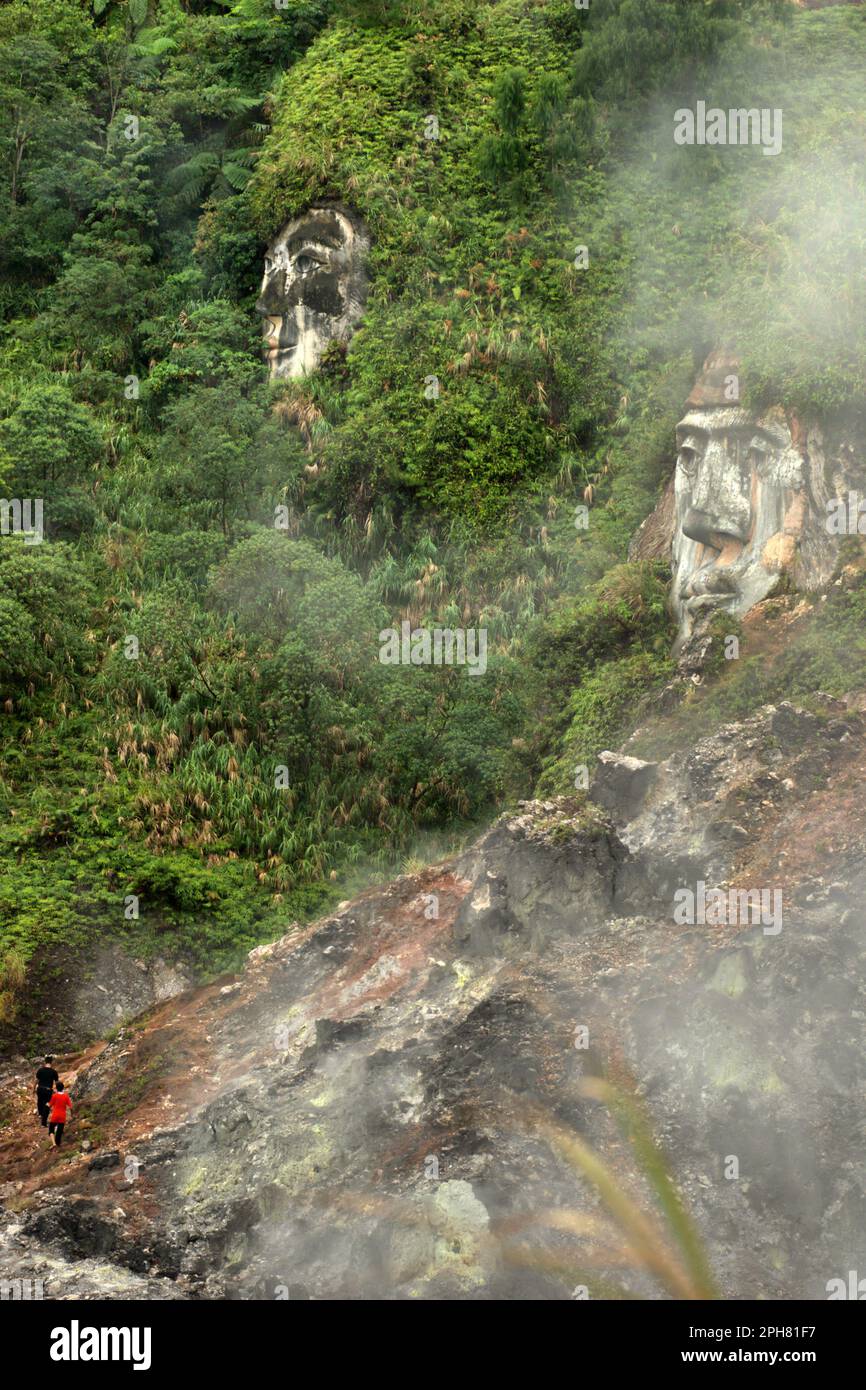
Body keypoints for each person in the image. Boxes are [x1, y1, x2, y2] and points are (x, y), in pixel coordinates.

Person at [34, 1055, 59, 1128]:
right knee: (47, 1105)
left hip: (40, 1089)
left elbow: (36, 1081)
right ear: (52, 1062)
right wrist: (58, 1091)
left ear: (45, 1062)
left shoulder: (40, 1070)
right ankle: (43, 1123)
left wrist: (33, 1089)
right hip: (48, 1090)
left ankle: (41, 1115)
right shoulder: (54, 1072)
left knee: (40, 1102)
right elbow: (57, 1082)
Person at [47, 1082, 72, 1148]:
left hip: (55, 1115)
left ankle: (54, 1144)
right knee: (59, 1132)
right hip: (62, 1116)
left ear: (56, 1088)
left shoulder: (54, 1096)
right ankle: (57, 1145)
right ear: (63, 1088)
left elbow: (49, 1105)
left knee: (51, 1129)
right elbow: (70, 1106)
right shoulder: (66, 1096)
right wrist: (71, 1114)